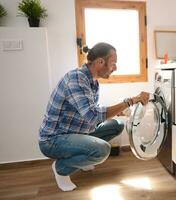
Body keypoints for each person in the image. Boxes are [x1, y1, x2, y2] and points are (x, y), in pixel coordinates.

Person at [38, 42, 149, 192]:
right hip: (53, 140)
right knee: (102, 150)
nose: (115, 67)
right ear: (100, 62)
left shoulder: (93, 82)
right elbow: (92, 116)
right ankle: (61, 169)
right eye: (113, 63)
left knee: (117, 125)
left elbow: (92, 110)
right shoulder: (76, 79)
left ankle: (81, 159)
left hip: (76, 132)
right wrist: (129, 101)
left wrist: (123, 111)